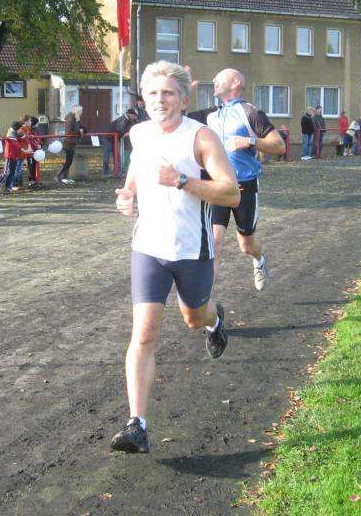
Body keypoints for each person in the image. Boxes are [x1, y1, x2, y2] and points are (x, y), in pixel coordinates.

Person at [110, 61, 240, 454]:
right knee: (143, 334)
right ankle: (137, 424)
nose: (159, 100)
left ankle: (215, 320)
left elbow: (231, 193)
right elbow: (138, 167)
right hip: (148, 247)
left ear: (184, 100)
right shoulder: (139, 133)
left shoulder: (201, 138)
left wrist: (182, 180)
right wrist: (128, 193)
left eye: (167, 93)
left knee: (193, 318)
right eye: (152, 93)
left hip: (191, 249)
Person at [190, 68, 285, 292]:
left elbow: (279, 146)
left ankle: (259, 260)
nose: (214, 80)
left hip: (245, 187)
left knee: (246, 245)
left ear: (235, 82)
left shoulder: (250, 113)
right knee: (214, 244)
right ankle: (205, 303)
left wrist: (250, 141)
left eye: (219, 77)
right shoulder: (210, 115)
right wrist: (183, 91)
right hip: (218, 187)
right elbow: (177, 117)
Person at [0, 121, 32, 191]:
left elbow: (25, 137)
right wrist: (26, 151)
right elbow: (16, 144)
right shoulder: (11, 133)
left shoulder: (18, 132)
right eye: (20, 128)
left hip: (15, 154)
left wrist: (29, 146)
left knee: (12, 172)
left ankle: (7, 187)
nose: (21, 129)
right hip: (10, 154)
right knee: (6, 171)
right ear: (16, 128)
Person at [103, 108, 138, 176]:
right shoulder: (123, 120)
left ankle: (117, 171)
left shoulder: (129, 120)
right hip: (108, 138)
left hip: (115, 139)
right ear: (130, 114)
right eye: (134, 115)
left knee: (116, 156)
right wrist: (128, 132)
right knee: (107, 156)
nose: (135, 117)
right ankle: (105, 172)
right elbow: (121, 130)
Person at [55, 105, 82, 184]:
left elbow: (78, 127)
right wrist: (79, 132)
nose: (81, 113)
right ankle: (59, 175)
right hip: (69, 142)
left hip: (72, 142)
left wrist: (83, 129)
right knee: (68, 161)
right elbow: (69, 131)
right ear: (77, 111)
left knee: (69, 161)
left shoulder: (75, 118)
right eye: (81, 111)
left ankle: (64, 176)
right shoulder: (70, 119)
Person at [20, 115, 41, 185]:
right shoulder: (24, 129)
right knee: (30, 167)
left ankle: (33, 180)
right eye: (30, 121)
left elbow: (35, 139)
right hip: (29, 151)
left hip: (32, 151)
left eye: (31, 121)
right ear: (25, 122)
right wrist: (35, 145)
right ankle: (31, 181)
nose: (31, 122)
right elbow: (28, 140)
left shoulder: (30, 130)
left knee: (33, 166)